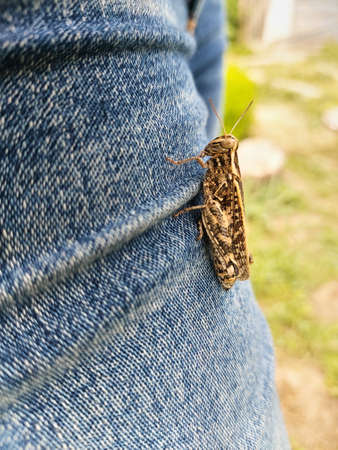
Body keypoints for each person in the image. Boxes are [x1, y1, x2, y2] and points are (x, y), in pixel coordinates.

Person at [0, 0, 290, 447]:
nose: (219, 145)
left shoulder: (223, 171)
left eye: (223, 145)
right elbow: (202, 163)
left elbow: (215, 199)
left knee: (212, 212)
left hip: (223, 242)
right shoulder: (214, 157)